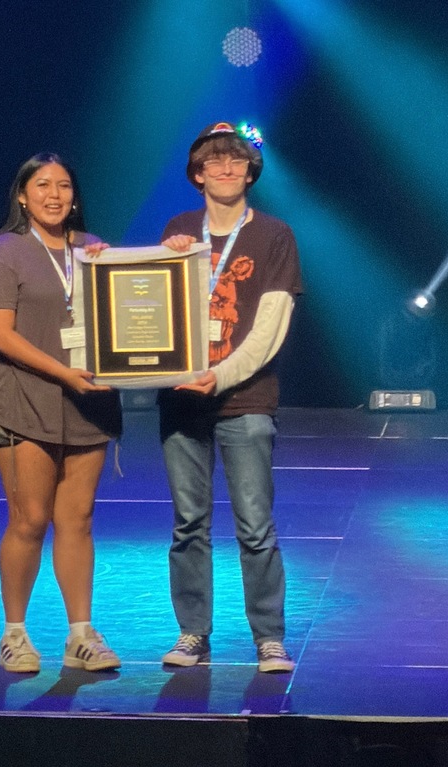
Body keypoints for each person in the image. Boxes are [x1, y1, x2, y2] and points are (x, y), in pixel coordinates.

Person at [159, 121, 302, 671]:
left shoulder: (274, 235)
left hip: (246, 399)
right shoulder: (178, 229)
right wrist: (160, 259)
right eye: (214, 162)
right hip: (180, 400)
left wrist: (220, 377)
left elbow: (271, 325)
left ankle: (269, 637)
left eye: (236, 161)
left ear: (250, 170)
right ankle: (192, 633)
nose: (226, 169)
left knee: (255, 525)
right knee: (188, 523)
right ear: (197, 174)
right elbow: (154, 314)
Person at [0, 152, 122, 673]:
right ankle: (14, 635)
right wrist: (63, 373)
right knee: (30, 519)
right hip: (24, 403)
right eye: (42, 186)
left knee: (77, 521)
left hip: (88, 405)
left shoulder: (92, 249)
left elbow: (136, 301)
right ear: (22, 195)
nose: (54, 195)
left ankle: (81, 635)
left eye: (63, 186)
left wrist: (172, 256)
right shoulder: (5, 251)